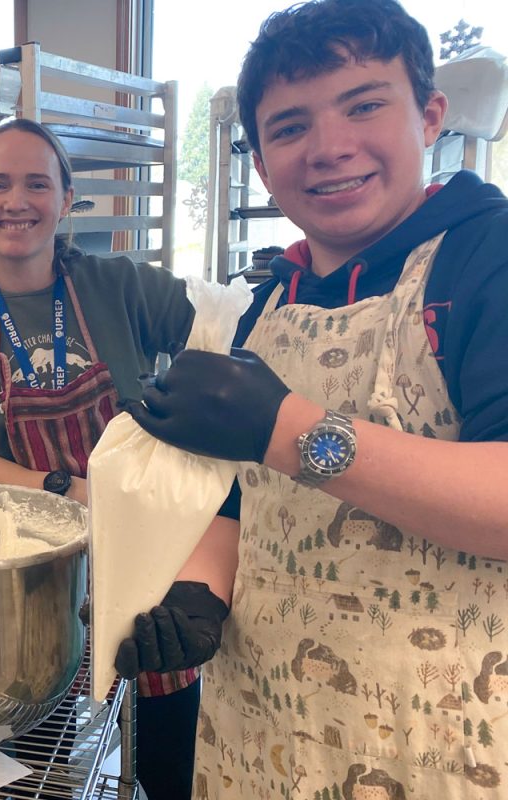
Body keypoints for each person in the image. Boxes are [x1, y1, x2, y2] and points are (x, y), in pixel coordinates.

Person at [116, 2, 508, 797]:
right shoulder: (269, 307)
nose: (330, 148)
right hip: (260, 729)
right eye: (290, 127)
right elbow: (240, 503)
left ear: (428, 115)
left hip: (434, 740)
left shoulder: (484, 258)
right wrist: (198, 595)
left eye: (365, 105)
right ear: (261, 163)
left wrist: (291, 430)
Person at [0, 118, 200, 799]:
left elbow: (215, 333)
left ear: (67, 199)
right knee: (31, 747)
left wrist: (185, 449)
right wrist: (66, 488)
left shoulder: (120, 287)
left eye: (38, 183)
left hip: (144, 552)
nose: (18, 201)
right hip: (26, 573)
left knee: (167, 731)